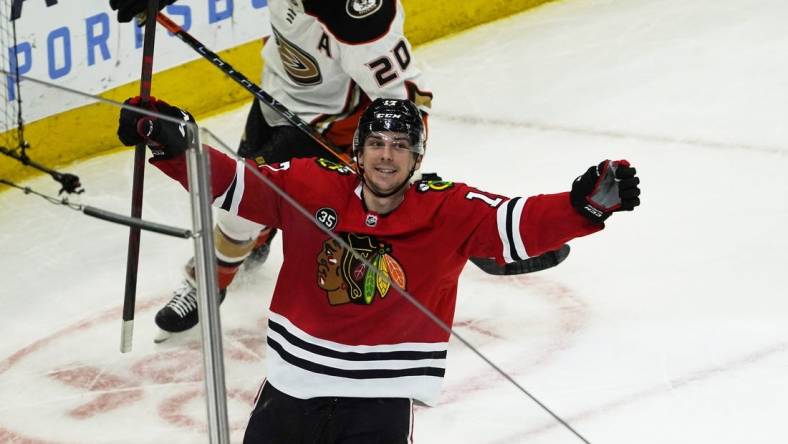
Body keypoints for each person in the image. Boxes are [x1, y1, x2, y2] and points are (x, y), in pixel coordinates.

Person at [116, 96, 641, 442]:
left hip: (378, 404)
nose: (386, 157)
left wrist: (583, 206)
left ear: (417, 156)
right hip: (290, 388)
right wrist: (172, 144)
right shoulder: (311, 185)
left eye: (399, 146)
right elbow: (233, 182)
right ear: (357, 150)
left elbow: (515, 224)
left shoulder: (449, 208)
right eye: (375, 144)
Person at [109, 0, 434, 339]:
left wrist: (404, 173)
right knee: (249, 201)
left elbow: (407, 96)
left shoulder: (356, 15)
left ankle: (208, 281)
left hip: (324, 124)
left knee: (239, 203)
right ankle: (260, 233)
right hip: (274, 91)